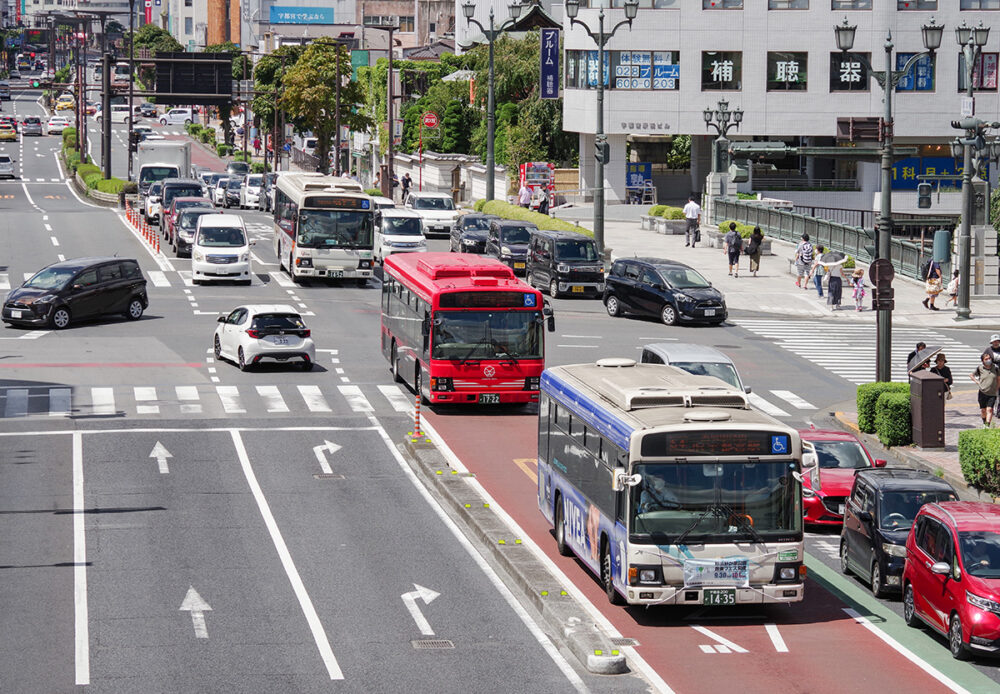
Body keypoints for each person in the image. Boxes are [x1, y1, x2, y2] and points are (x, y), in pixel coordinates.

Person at [971, 352, 1000, 427]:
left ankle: (987, 426)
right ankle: (984, 422)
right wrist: (977, 382)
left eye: (989, 358)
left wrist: (997, 388)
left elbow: (998, 378)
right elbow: (971, 375)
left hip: (992, 393)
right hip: (982, 392)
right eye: (986, 359)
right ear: (983, 361)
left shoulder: (995, 368)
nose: (988, 360)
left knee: (989, 410)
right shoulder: (980, 368)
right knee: (983, 410)